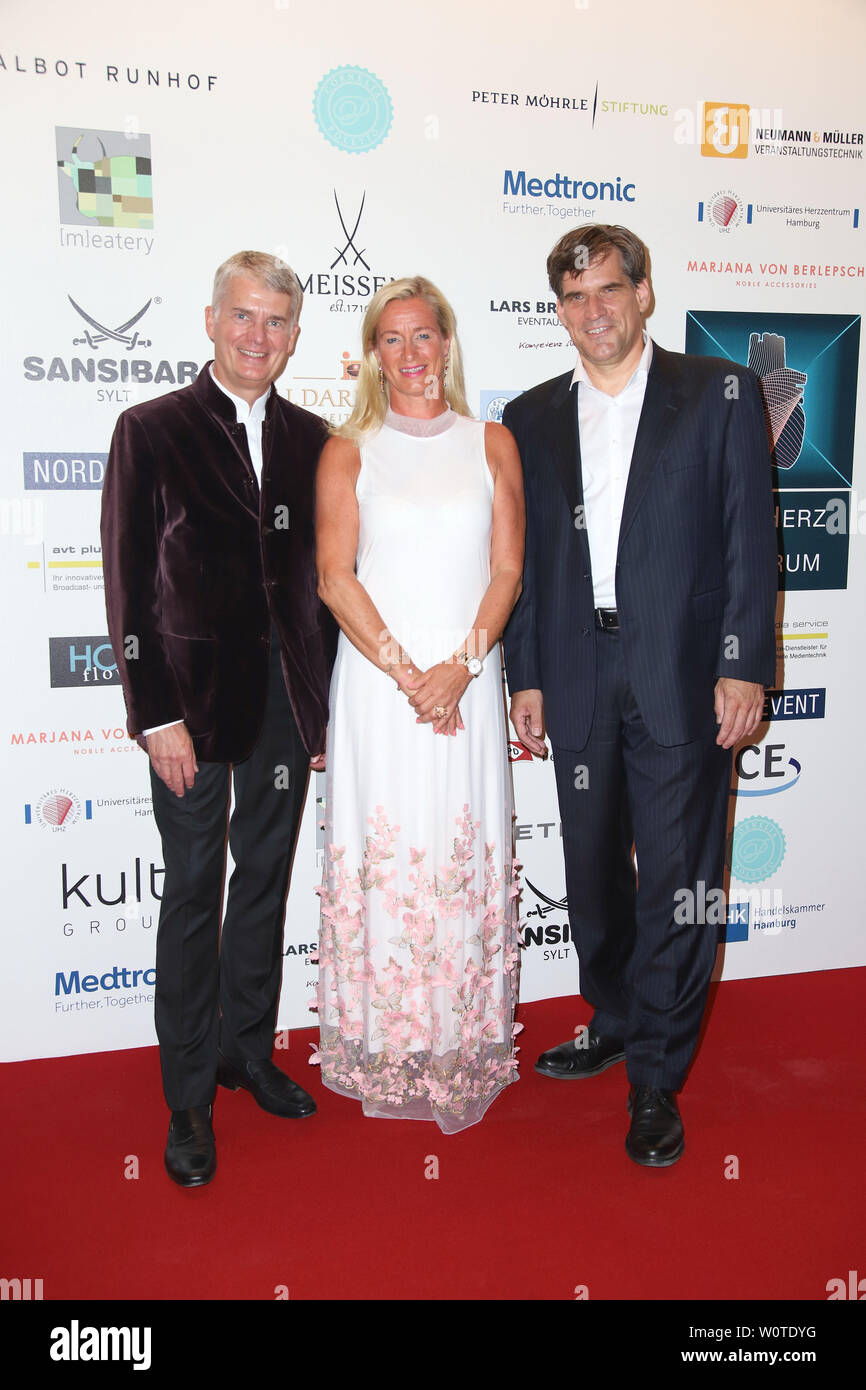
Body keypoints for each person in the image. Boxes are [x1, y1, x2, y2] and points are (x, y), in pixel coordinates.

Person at [503, 225, 777, 1166]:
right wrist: (527, 672)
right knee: (591, 880)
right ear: (560, 312)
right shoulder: (531, 416)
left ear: (645, 293)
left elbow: (752, 536)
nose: (596, 312)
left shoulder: (719, 393)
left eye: (611, 290)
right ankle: (615, 1014)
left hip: (687, 676)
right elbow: (530, 563)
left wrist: (744, 663)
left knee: (680, 882)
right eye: (575, 299)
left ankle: (657, 1076)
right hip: (578, 675)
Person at [101, 251, 336, 1187]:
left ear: (293, 335)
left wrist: (320, 711)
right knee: (195, 892)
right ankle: (188, 1097)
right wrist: (154, 713)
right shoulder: (150, 430)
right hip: (187, 712)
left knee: (266, 880)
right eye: (243, 317)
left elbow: (322, 583)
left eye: (277, 322)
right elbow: (126, 586)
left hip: (282, 702)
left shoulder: (315, 438)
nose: (258, 338)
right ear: (209, 320)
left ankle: (246, 1050)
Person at [315, 276, 525, 1132]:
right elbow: (335, 578)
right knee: (390, 846)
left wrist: (462, 667)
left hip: (467, 681)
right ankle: (384, 1038)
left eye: (423, 335)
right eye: (391, 339)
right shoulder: (348, 449)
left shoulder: (493, 441)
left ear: (447, 342)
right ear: (373, 354)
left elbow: (507, 569)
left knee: (459, 837)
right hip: (380, 689)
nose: (410, 354)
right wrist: (412, 676)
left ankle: (458, 1039)